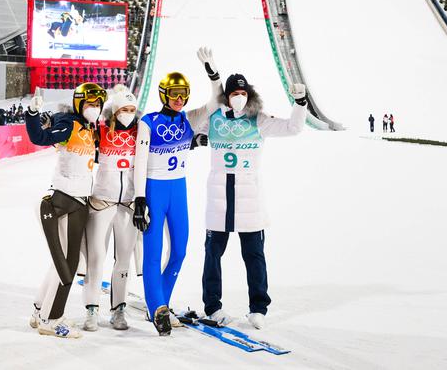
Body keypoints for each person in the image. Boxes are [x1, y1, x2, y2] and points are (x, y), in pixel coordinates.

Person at [188, 50, 307, 330]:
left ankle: (258, 307)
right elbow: (191, 126)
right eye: (233, 93)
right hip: (219, 199)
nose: (239, 97)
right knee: (212, 254)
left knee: (254, 254)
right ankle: (212, 306)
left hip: (249, 198)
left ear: (249, 94)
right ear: (226, 96)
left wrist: (300, 102)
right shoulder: (214, 118)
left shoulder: (259, 119)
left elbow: (292, 128)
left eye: (243, 92)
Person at [132, 65, 218, 336]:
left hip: (178, 189)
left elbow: (215, 103)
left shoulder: (188, 120)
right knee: (153, 252)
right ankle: (156, 305)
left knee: (179, 251)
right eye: (174, 94)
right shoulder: (148, 122)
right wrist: (139, 199)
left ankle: (160, 306)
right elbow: (140, 163)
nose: (179, 99)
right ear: (163, 94)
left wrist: (213, 76)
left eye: (183, 95)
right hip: (154, 190)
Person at [25, 84, 103, 339]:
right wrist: (33, 115)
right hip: (60, 202)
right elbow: (40, 138)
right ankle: (52, 319)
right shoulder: (70, 124)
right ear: (79, 103)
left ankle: (40, 311)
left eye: (98, 104)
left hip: (78, 202)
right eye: (90, 103)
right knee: (66, 266)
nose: (95, 108)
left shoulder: (91, 130)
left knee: (62, 264)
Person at [82, 84, 141, 332]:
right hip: (102, 202)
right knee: (96, 258)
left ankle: (119, 310)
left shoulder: (141, 131)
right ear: (114, 111)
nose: (127, 113)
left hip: (127, 204)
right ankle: (91, 310)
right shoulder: (101, 129)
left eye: (131, 109)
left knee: (123, 261)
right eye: (123, 109)